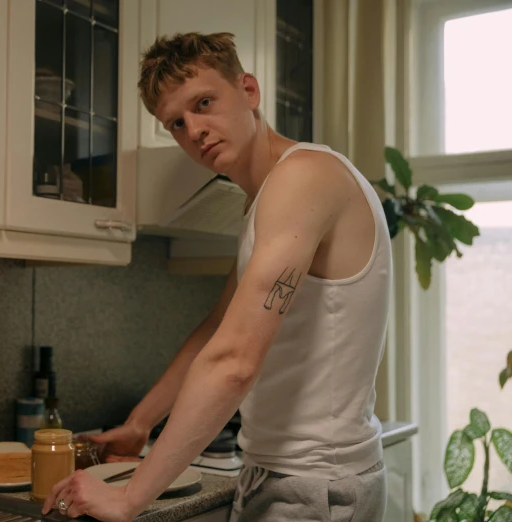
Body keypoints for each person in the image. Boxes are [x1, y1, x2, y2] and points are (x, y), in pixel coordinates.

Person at [42, 31, 392, 522]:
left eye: (204, 102)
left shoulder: (304, 178)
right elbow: (216, 327)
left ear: (249, 90)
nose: (194, 130)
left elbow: (234, 361)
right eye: (177, 123)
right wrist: (140, 423)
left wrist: (128, 498)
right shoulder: (263, 201)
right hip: (282, 475)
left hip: (317, 486)